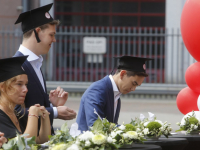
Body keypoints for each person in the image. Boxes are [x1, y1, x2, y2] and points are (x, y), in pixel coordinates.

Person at [13, 3, 76, 134]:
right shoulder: (16, 66)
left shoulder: (35, 62)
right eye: (51, 35)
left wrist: (52, 104)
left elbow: (33, 103)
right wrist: (55, 112)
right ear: (37, 32)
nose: (54, 40)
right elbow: (15, 111)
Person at [76, 56, 152, 131]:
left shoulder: (115, 92)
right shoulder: (97, 90)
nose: (133, 89)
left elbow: (111, 126)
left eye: (137, 86)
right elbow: (95, 126)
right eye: (133, 83)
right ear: (122, 74)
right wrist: (131, 130)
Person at [0, 56, 51, 144]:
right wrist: (33, 114)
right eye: (19, 84)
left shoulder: (15, 113)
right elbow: (25, 144)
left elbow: (40, 140)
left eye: (26, 84)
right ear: (3, 87)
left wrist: (44, 116)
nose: (25, 90)